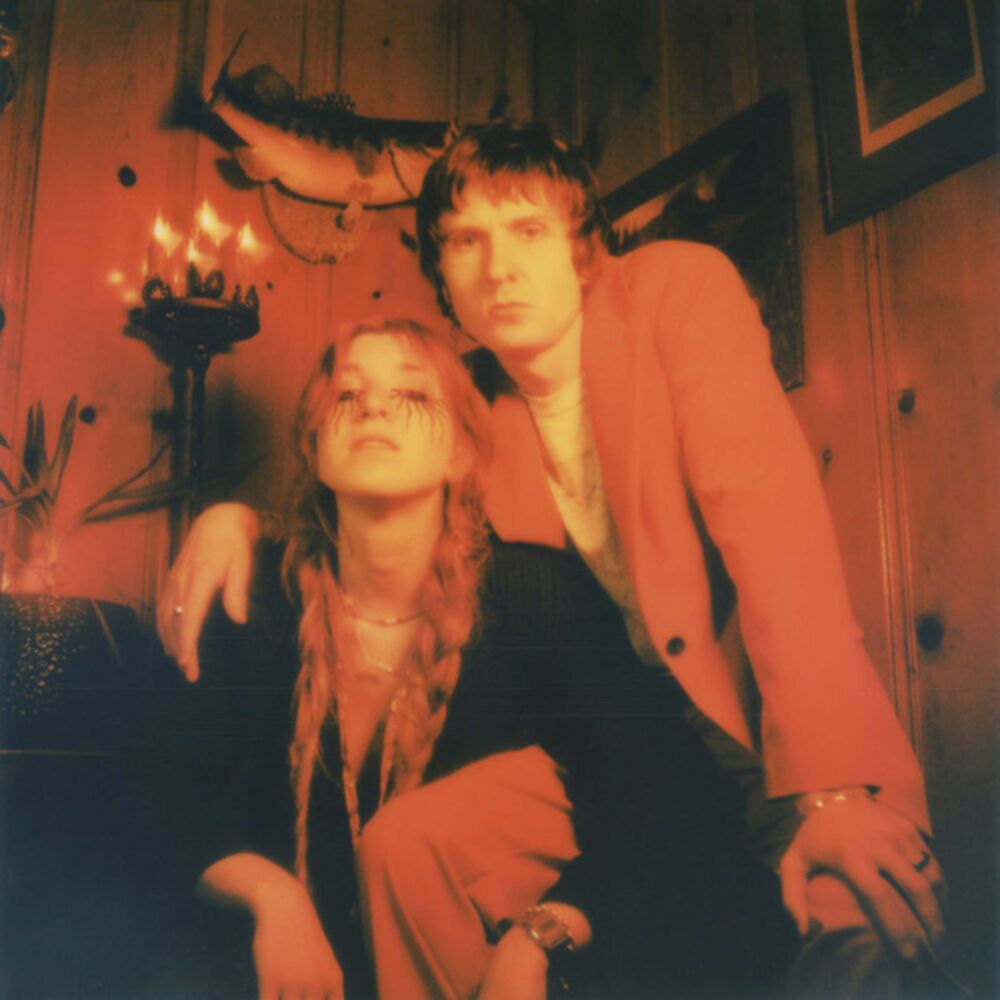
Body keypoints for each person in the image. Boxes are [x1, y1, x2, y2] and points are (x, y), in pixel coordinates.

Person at [159, 123, 947, 995]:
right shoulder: (474, 404)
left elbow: (777, 539)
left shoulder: (677, 292)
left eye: (527, 230)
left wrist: (833, 790)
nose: (499, 268)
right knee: (404, 842)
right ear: (442, 273)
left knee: (858, 928)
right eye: (466, 241)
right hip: (621, 733)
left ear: (581, 246)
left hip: (774, 719)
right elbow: (366, 483)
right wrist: (237, 519)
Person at [179, 317, 795, 1000]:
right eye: (347, 394)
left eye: (412, 394)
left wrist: (543, 932)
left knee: (406, 838)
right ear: (313, 442)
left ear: (461, 454)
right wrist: (272, 896)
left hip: (559, 959)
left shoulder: (534, 596)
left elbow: (674, 798)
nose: (373, 406)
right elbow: (173, 802)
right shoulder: (255, 599)